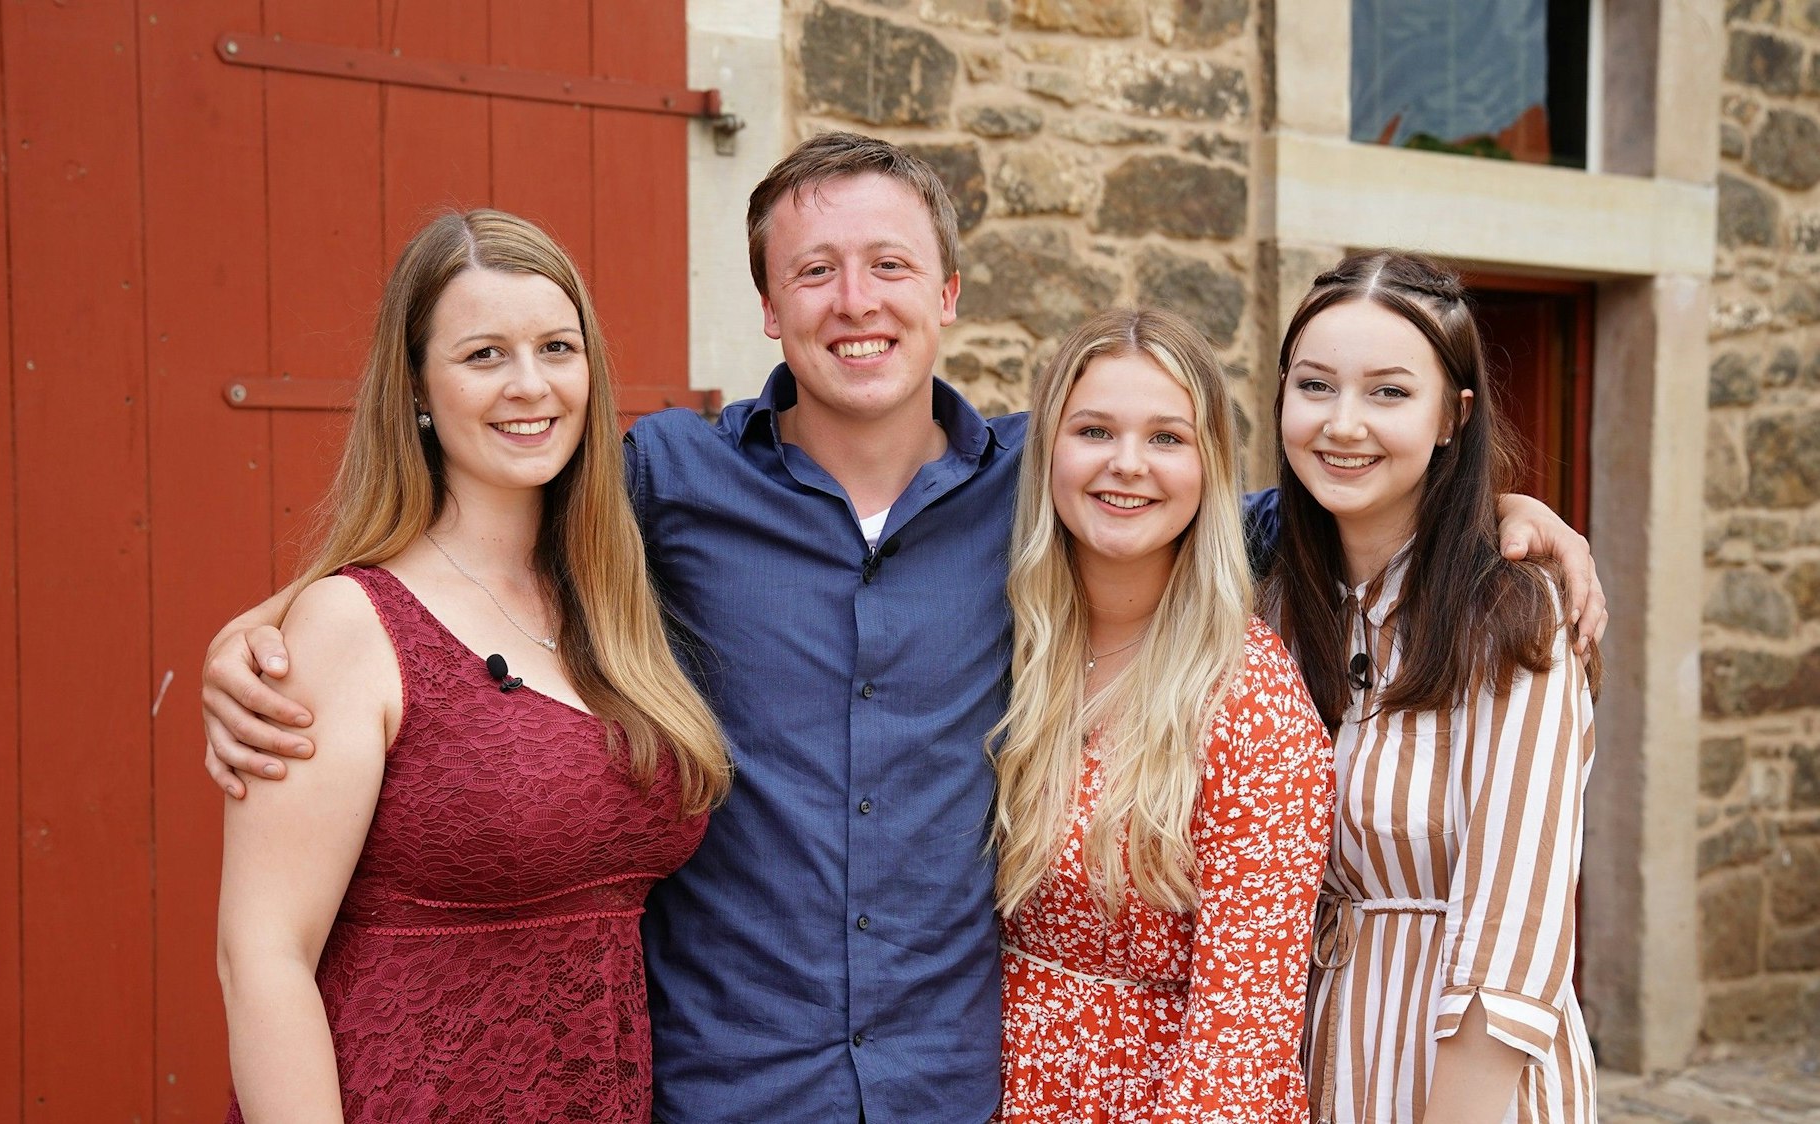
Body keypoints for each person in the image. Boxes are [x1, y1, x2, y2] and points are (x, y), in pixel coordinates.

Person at [200, 134, 1608, 1123]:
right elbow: (474, 539)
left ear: (945, 296)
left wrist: (1511, 523)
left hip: (953, 1085)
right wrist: (271, 626)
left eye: (887, 266)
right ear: (764, 304)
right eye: (812, 272)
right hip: (722, 1083)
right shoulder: (661, 487)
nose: (852, 301)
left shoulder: (1040, 487)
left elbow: (1260, 503)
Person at [214, 209, 729, 1122]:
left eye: (556, 348)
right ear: (416, 387)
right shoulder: (349, 626)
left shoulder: (613, 606)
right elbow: (262, 953)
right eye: (483, 354)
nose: (528, 385)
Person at [1264, 252, 1600, 1124]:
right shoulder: (1266, 607)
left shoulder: (1510, 618)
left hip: (1456, 1083)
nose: (1342, 424)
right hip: (1300, 1066)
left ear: (1452, 417)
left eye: (1387, 392)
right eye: (1314, 386)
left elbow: (1511, 932)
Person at [993, 307, 1331, 1122]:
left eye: (1167, 438)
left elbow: (1240, 1038)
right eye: (1094, 431)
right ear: (1046, 454)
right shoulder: (999, 649)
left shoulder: (1249, 699)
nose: (1127, 465)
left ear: (1211, 466)